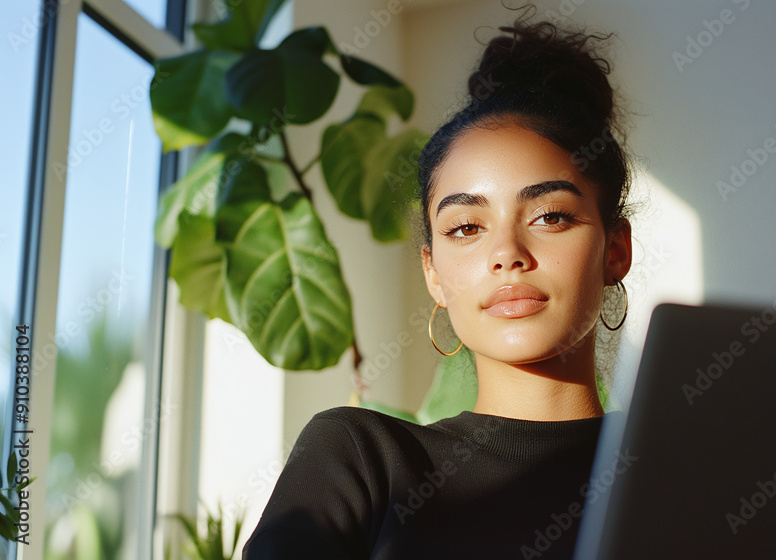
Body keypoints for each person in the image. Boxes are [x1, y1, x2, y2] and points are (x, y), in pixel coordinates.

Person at [242, 10, 634, 560]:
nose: (507, 255)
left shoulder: (690, 469)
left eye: (550, 216)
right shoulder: (361, 459)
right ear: (433, 273)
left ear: (616, 250)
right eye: (467, 228)